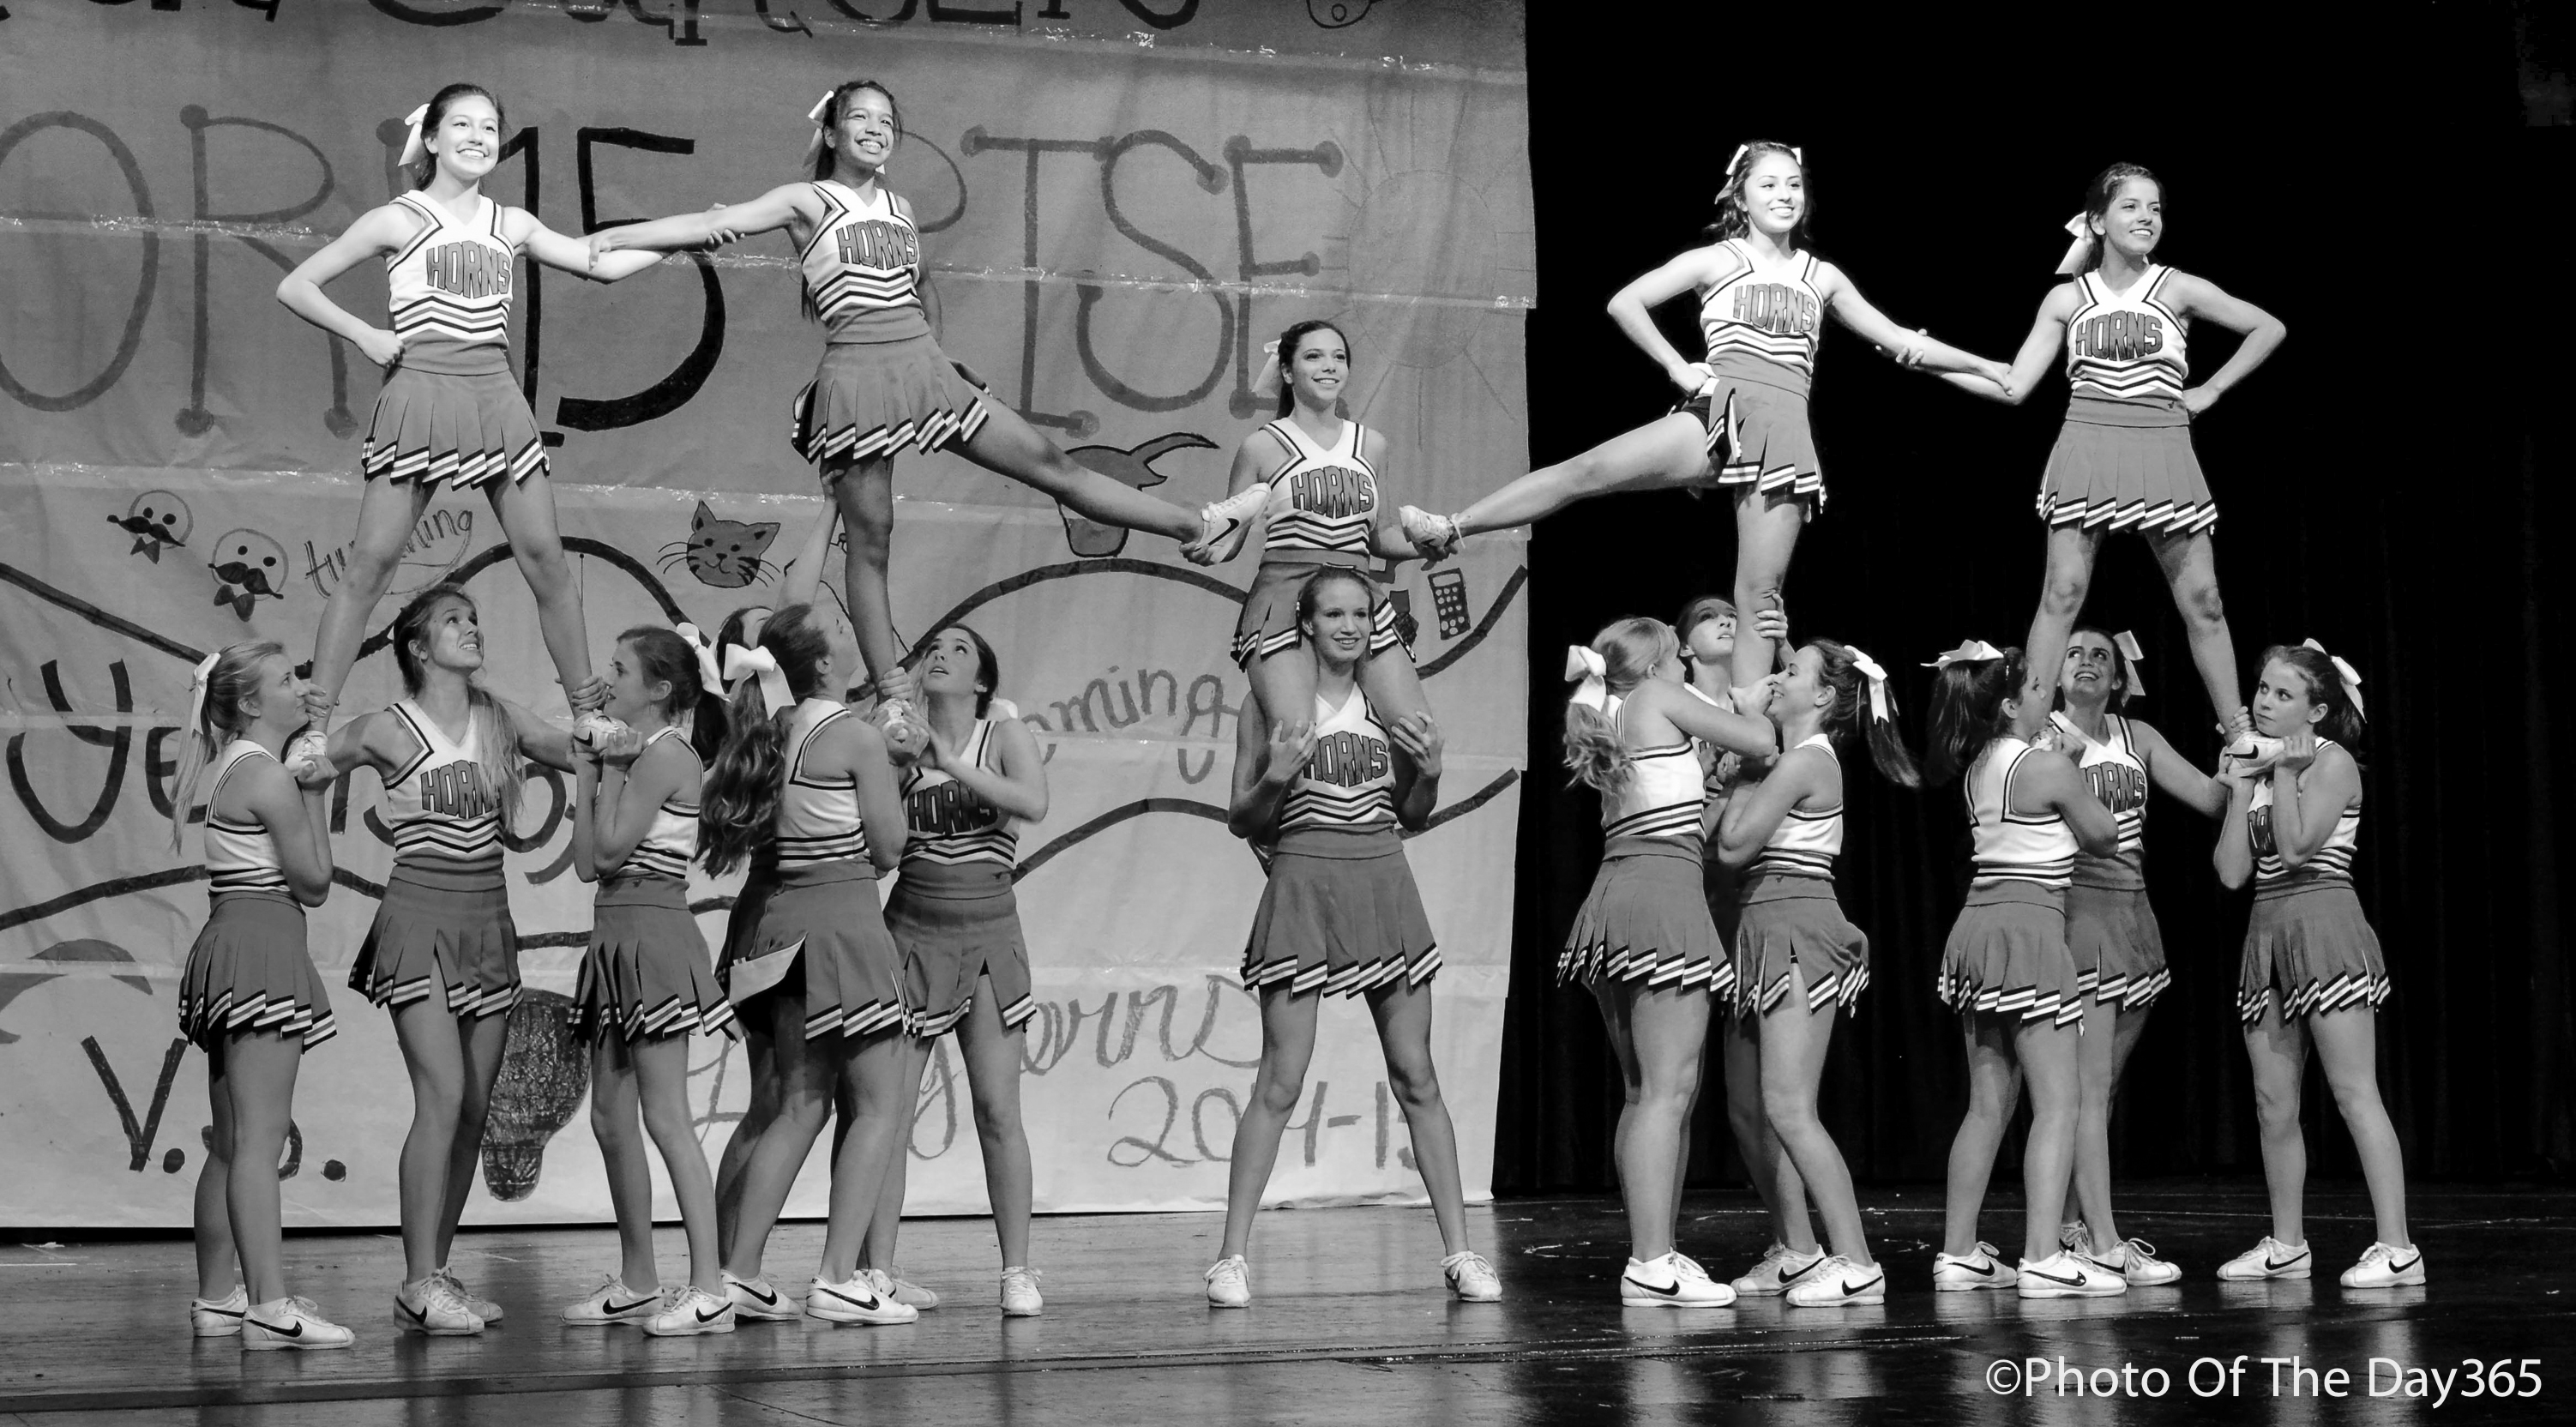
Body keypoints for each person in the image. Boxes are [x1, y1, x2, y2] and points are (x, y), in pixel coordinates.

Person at [583, 80, 1268, 723]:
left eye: (886, 121)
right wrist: (618, 235)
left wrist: (938, 363)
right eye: (860, 117)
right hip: (857, 379)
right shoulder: (806, 201)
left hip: (923, 369)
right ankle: (893, 698)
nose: (875, 128)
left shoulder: (900, 208)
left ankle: (1197, 524)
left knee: (1053, 465)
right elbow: (719, 224)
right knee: (872, 540)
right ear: (831, 132)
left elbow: (916, 289)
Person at [1399, 141, 2009, 695]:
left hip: (1783, 433)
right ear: (1741, 197)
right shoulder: (1717, 259)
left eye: (1793, 184)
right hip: (1718, 414)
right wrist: (1677, 366)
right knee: (1587, 470)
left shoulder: (1821, 276)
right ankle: (1451, 527)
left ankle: (1748, 731)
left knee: (1760, 595)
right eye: (1768, 184)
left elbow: (1899, 340)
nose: (1784, 195)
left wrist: (1989, 367)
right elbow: (1625, 302)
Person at [276, 84, 677, 770]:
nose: (477, 137)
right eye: (461, 125)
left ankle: (587, 716)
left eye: (489, 128)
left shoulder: (510, 223)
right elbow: (296, 286)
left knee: (546, 558)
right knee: (371, 564)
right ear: (431, 139)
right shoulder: (397, 219)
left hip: (494, 396)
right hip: (421, 392)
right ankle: (315, 727)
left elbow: (600, 263)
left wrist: (684, 237)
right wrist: (365, 334)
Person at [1206, 569, 1501, 1308]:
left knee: (1417, 1075)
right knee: (1280, 1080)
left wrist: (1430, 772)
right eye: (1333, 614)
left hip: (1382, 882)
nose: (1349, 626)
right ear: (1304, 624)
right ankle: (1230, 1258)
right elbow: (1242, 818)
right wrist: (1275, 777)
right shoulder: (1269, 703)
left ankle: (1461, 1253)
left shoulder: (1385, 704)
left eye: (1361, 614)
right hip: (1303, 882)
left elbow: (1414, 812)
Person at [310, 584, 581, 1334]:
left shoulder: (498, 719)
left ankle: (435, 1274)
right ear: (418, 648)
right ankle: (416, 1281)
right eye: (452, 621)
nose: (471, 628)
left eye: (474, 617)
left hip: (488, 921)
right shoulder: (387, 728)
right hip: (419, 920)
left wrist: (636, 729)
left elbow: (574, 750)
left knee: (473, 1111)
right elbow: (305, 764)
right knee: (444, 1094)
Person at [1944, 163, 2287, 742]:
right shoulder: (2067, 297)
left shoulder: (2178, 287)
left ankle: (2239, 733)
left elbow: (2267, 327)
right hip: (2088, 442)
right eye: (2131, 206)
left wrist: (2211, 390)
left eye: (2155, 208)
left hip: (2162, 443)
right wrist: (1932, 361)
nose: (2146, 217)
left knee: (2204, 600)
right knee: (2062, 593)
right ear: (2098, 221)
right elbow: (2014, 386)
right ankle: (2028, 728)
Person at [698, 604, 920, 1324]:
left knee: (797, 1108)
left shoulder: (769, 729)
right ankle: (837, 1277)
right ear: (823, 662)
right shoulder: (853, 737)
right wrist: (901, 768)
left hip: (775, 928)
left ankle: (738, 1272)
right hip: (841, 926)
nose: (856, 634)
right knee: (879, 1107)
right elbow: (889, 849)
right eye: (843, 630)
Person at [1557, 618, 1776, 1306]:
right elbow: (1761, 739)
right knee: (1666, 1093)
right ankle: (1650, 1264)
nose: (1685, 659)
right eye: (1676, 654)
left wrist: (1714, 775)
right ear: (1653, 665)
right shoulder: (1656, 696)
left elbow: (1677, 809)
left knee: (1644, 1093)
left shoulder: (1619, 710)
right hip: (1660, 896)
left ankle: (1657, 1252)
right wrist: (1750, 704)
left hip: (1621, 891)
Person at [1712, 639, 1919, 1307]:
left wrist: (1749, 753)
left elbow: (1733, 845)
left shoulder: (1806, 760)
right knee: (1748, 1108)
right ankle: (1799, 1250)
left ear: (1825, 696)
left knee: (1789, 1106)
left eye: (1792, 671)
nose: (1778, 678)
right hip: (1759, 923)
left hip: (1797, 923)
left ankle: (1857, 1261)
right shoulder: (1791, 757)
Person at [1920, 642, 2128, 1298]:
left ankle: (1958, 1252)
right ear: (2011, 705)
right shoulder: (2045, 765)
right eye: (2038, 688)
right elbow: (2104, 835)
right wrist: (2073, 764)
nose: (2049, 695)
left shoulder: (1980, 763)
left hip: (1978, 925)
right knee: (2061, 1101)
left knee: (1988, 1105)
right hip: (2029, 925)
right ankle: (2042, 1256)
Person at [857, 624, 1049, 1317]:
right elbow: (881, 851)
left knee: (998, 1110)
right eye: (934, 647)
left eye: (961, 650)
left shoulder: (1003, 732)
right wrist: (890, 753)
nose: (941, 654)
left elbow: (1032, 802)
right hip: (912, 932)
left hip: (990, 933)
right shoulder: (894, 740)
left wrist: (947, 761)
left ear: (983, 681)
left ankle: (1017, 1270)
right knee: (887, 1114)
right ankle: (877, 1271)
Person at [2213, 641, 2418, 1287]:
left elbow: (2299, 848)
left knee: (2354, 1093)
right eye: (2263, 690)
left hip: (2325, 920)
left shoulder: (2331, 762)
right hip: (2268, 928)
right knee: (2272, 1102)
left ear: (2317, 710)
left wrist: (2279, 774)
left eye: (2283, 694)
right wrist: (2240, 787)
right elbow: (2232, 872)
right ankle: (2287, 1244)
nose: (2265, 702)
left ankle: (2399, 1248)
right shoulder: (2262, 766)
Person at [560, 627, 741, 1335]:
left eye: (620, 668)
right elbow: (585, 865)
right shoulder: (635, 757)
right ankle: (639, 1280)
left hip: (654, 937)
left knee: (666, 1116)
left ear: (660, 689)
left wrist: (606, 767)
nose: (607, 679)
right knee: (610, 1117)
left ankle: (710, 1288)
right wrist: (588, 769)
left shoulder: (667, 754)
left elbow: (607, 850)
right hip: (615, 936)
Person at [172, 643, 352, 1350]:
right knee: (259, 1140)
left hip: (232, 939)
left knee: (231, 1141)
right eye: (286, 680)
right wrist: (317, 791)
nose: (301, 686)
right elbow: (314, 882)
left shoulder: (234, 766)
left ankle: (219, 1297)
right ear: (250, 704)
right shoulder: (270, 777)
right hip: (261, 944)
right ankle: (271, 1308)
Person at [2047, 627, 2224, 1284]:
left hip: (2134, 912)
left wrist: (2244, 762)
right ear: (2055, 672)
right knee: (2087, 1090)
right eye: (2074, 652)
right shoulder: (2042, 734)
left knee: (2102, 1089)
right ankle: (2103, 1242)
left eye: (2101, 655)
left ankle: (2069, 1227)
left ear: (2120, 677)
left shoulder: (2136, 736)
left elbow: (2210, 798)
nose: (2087, 662)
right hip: (2078, 910)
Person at [1208, 319, 1430, 736]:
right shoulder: (1260, 446)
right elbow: (1227, 536)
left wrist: (1429, 543)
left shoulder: (1372, 444)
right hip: (1283, 597)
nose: (1329, 366)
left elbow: (1382, 535)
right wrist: (1204, 543)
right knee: (1295, 736)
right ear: (1287, 371)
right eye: (1314, 356)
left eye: (1339, 357)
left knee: (1418, 734)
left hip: (1356, 596)